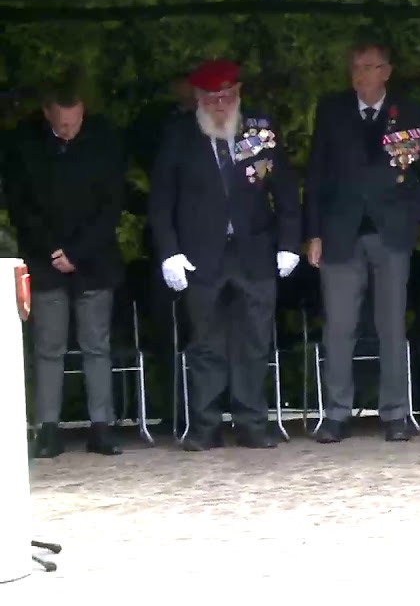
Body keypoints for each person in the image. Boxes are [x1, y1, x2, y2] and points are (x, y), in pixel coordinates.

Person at [149, 59, 302, 450]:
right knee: (205, 343)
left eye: (227, 97)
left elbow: (284, 190)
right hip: (201, 254)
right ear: (198, 98)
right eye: (213, 99)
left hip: (254, 251)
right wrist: (170, 252)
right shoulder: (179, 134)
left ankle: (253, 423)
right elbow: (162, 200)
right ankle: (205, 425)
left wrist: (289, 242)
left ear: (238, 94)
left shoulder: (260, 130)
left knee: (254, 340)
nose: (221, 105)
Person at [304, 40, 420, 443]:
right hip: (340, 231)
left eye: (369, 67)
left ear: (386, 71)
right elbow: (315, 176)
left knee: (391, 325)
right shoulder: (332, 110)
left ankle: (396, 412)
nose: (361, 74)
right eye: (356, 67)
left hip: (390, 233)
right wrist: (313, 232)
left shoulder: (410, 112)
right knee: (339, 327)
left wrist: (411, 215)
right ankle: (336, 413)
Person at [10, 82, 126, 458]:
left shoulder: (103, 138)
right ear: (47, 114)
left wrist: (77, 252)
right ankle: (47, 429)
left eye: (75, 123)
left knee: (96, 345)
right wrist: (53, 250)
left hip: (94, 259)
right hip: (45, 261)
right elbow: (20, 207)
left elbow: (112, 204)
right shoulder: (25, 145)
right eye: (62, 125)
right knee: (48, 347)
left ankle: (102, 426)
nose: (70, 131)